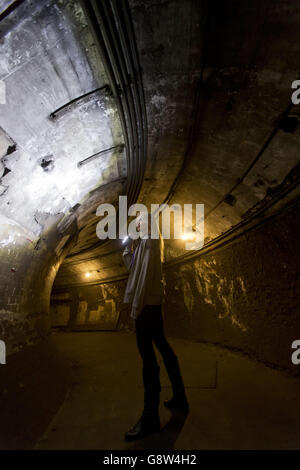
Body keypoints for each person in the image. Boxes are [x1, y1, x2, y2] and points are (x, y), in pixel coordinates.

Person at [122, 211, 189, 441]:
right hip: (150, 304)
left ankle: (150, 417)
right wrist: (127, 251)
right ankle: (180, 397)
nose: (136, 225)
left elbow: (144, 279)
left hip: (147, 306)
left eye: (139, 221)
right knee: (161, 345)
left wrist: (135, 309)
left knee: (147, 357)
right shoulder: (143, 242)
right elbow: (135, 270)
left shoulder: (150, 239)